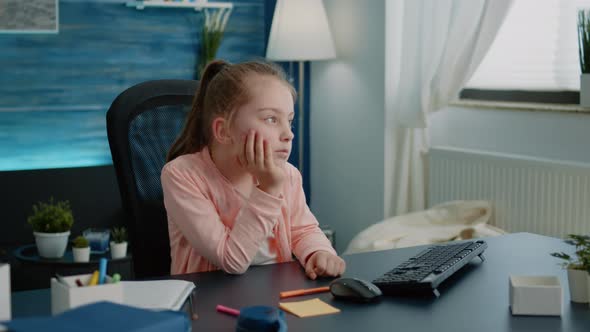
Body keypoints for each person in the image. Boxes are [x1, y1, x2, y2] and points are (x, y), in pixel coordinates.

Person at [161, 59, 345, 280]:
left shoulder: (287, 175)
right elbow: (230, 260)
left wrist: (319, 252)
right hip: (209, 302)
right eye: (271, 119)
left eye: (290, 121)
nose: (288, 134)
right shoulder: (182, 175)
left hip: (276, 297)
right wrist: (268, 190)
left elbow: (303, 230)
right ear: (223, 130)